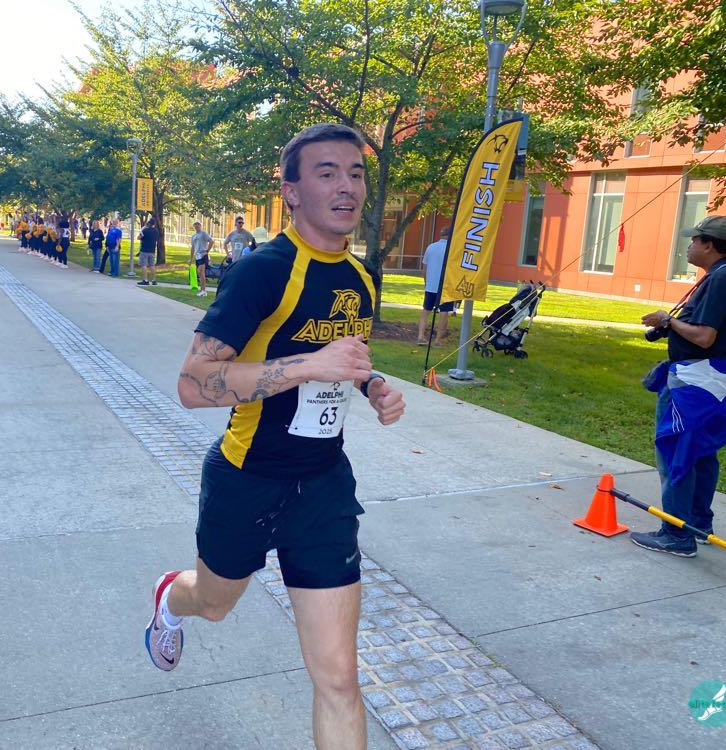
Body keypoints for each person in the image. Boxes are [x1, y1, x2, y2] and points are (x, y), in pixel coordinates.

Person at [144, 123, 406, 750]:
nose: (347, 186)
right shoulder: (262, 272)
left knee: (339, 677)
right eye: (326, 173)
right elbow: (192, 384)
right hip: (248, 477)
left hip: (323, 486)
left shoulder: (361, 277)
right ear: (291, 192)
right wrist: (310, 366)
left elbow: (346, 358)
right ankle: (170, 597)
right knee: (214, 603)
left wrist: (370, 385)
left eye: (355, 173)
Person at [631, 215, 726, 557]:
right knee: (701, 452)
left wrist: (668, 321)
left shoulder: (721, 279)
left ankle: (676, 534)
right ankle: (699, 525)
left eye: (694, 240)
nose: (689, 246)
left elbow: (704, 336)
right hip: (719, 376)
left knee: (677, 452)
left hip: (695, 380)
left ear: (709, 245)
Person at [417, 225, 454, 345]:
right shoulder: (452, 249)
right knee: (444, 313)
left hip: (431, 286)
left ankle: (420, 336)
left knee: (425, 312)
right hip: (446, 286)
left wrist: (426, 283)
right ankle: (438, 340)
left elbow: (424, 269)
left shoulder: (431, 247)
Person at [189, 220, 214, 297]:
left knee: (201, 272)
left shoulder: (203, 234)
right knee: (199, 273)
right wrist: (191, 258)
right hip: (197, 256)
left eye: (198, 224)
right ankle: (202, 290)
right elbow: (193, 247)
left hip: (203, 255)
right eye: (195, 224)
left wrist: (207, 251)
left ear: (200, 225)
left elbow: (211, 241)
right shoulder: (193, 236)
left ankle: (203, 290)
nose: (196, 225)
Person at [137, 217, 159, 286]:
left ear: (149, 223)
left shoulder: (145, 230)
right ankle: (154, 280)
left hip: (144, 250)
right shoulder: (156, 231)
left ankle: (145, 280)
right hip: (152, 250)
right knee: (152, 265)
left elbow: (139, 237)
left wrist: (141, 232)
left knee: (144, 265)